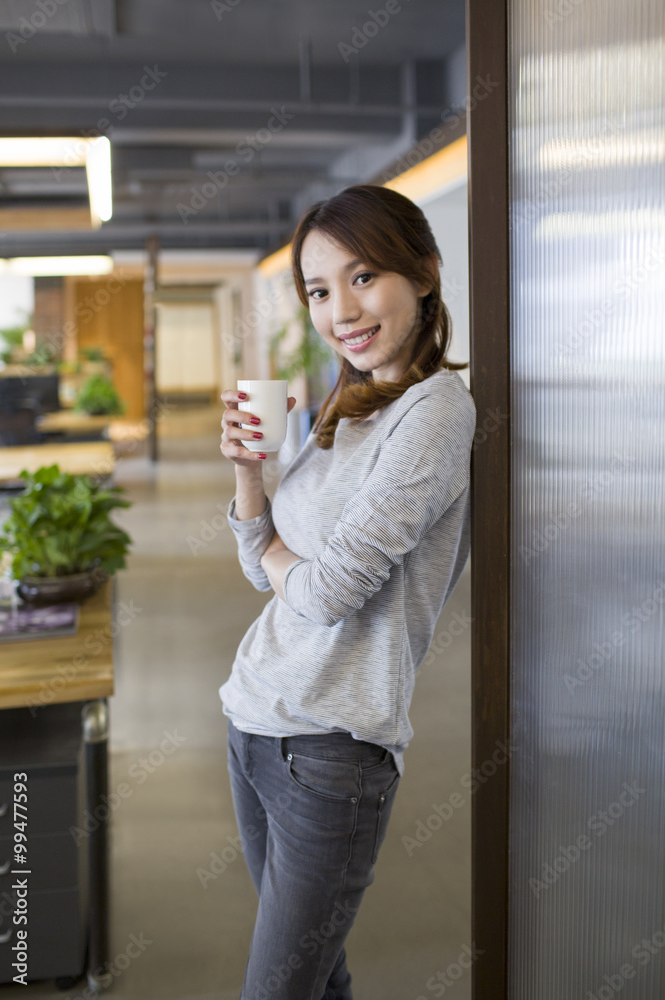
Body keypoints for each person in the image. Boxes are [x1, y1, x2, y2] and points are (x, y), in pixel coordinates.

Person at [219, 184, 476, 1000]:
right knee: (314, 980)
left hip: (331, 750)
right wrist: (248, 476)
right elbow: (261, 566)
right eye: (321, 292)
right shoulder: (348, 405)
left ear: (426, 273)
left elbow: (327, 592)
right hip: (253, 719)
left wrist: (288, 565)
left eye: (364, 277)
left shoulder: (435, 413)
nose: (342, 311)